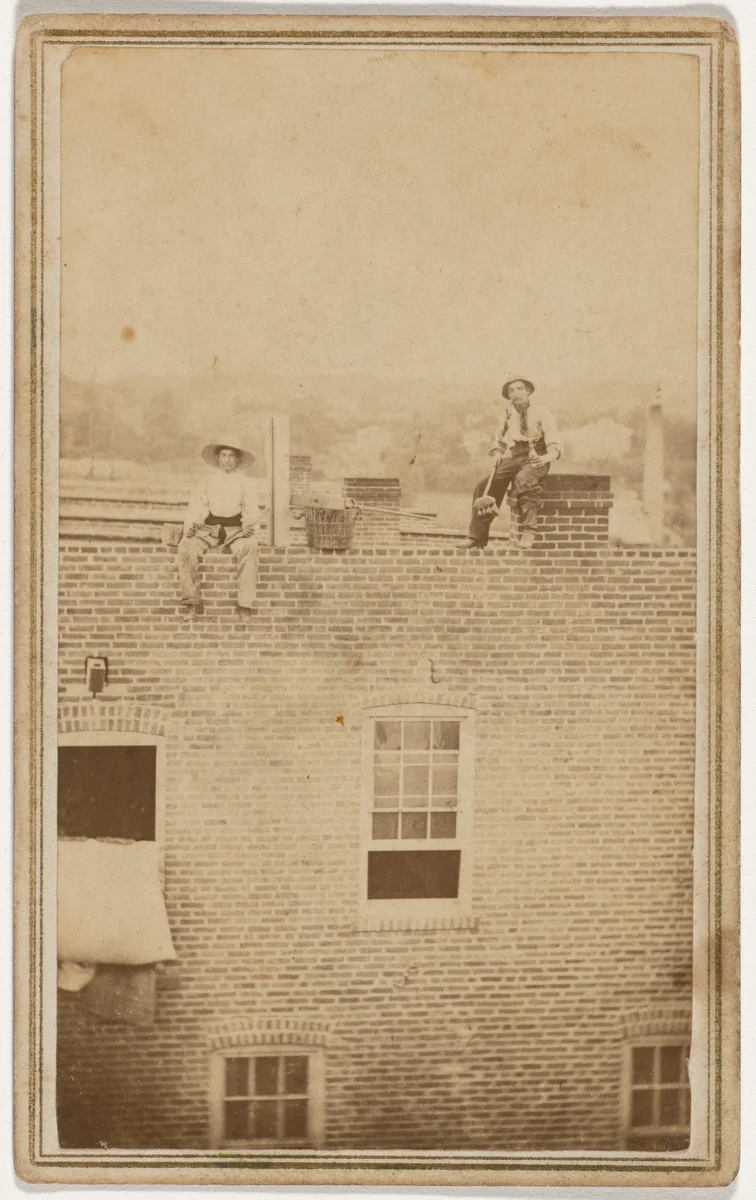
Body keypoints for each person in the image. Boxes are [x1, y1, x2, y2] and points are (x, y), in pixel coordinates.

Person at [462, 377, 562, 550]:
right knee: (483, 486)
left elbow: (555, 446)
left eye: (520, 388)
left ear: (528, 391)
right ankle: (476, 537)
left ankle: (529, 531)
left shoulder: (542, 413)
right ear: (508, 396)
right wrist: (497, 452)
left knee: (524, 480)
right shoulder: (507, 414)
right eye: (512, 391)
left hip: (537, 456)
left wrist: (544, 458)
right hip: (515, 456)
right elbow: (498, 440)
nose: (516, 393)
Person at [177, 433, 262, 622]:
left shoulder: (245, 482)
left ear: (237, 459)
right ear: (217, 458)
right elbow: (199, 506)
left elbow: (251, 508)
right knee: (186, 546)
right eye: (223, 455)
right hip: (211, 528)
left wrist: (249, 526)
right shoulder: (207, 480)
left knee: (251, 547)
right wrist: (193, 525)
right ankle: (191, 603)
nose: (227, 460)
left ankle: (244, 605)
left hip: (235, 530)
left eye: (231, 456)